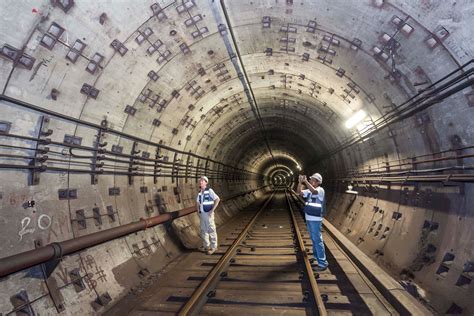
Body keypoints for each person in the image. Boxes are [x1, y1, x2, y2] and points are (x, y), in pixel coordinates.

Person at [297, 173, 328, 271]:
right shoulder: (309, 191)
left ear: (318, 182)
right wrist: (299, 182)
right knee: (314, 239)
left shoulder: (320, 190)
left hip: (316, 219)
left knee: (318, 240)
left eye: (313, 180)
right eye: (310, 180)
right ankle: (316, 257)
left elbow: (314, 192)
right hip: (309, 218)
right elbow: (299, 192)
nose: (311, 181)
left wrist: (305, 181)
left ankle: (323, 263)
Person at [196, 176, 220, 255]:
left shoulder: (209, 190)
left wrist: (212, 210)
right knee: (203, 230)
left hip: (208, 214)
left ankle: (214, 247)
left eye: (203, 181)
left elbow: (217, 199)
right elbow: (197, 203)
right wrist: (198, 211)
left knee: (211, 230)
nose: (201, 182)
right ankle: (206, 246)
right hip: (202, 214)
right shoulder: (200, 193)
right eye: (200, 180)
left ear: (206, 182)